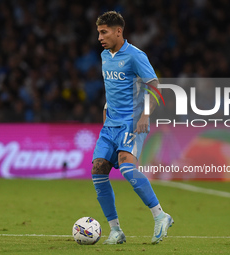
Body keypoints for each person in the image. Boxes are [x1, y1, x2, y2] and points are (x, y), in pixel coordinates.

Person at [92, 11, 174, 245]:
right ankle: (115, 230)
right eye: (99, 32)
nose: (100, 37)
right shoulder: (104, 56)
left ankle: (160, 215)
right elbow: (114, 88)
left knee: (128, 168)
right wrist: (107, 107)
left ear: (119, 31)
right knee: (98, 170)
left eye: (104, 32)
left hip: (132, 122)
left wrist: (145, 116)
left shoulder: (136, 56)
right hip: (110, 124)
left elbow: (155, 88)